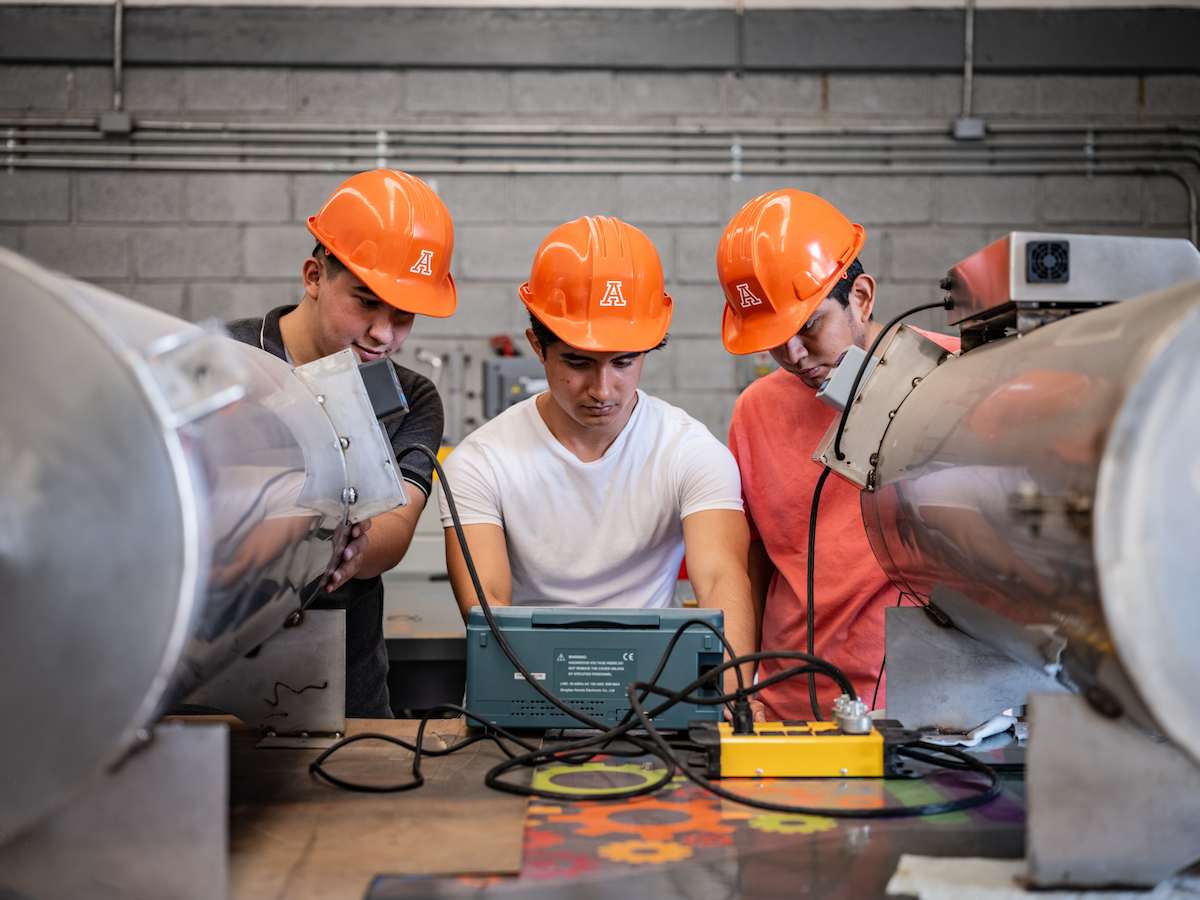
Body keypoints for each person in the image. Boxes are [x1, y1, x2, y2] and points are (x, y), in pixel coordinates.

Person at [439, 215, 758, 694]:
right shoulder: (480, 462)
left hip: (653, 697)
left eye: (624, 362)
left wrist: (733, 704)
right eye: (578, 363)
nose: (603, 390)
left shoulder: (690, 452)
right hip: (526, 690)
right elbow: (490, 610)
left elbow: (719, 581)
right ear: (536, 346)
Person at [717, 188, 960, 720]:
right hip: (787, 705)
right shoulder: (755, 411)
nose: (793, 356)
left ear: (862, 298)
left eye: (807, 326)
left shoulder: (955, 382)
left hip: (925, 716)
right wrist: (743, 684)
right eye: (774, 339)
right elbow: (755, 561)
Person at [227, 168, 455, 718]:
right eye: (365, 301)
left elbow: (394, 531)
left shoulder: (410, 397)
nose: (384, 333)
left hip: (347, 693)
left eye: (404, 314)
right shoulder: (224, 362)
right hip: (211, 683)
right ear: (314, 275)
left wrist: (342, 548)